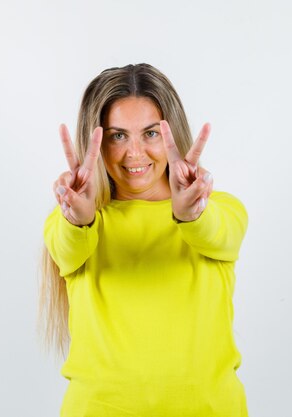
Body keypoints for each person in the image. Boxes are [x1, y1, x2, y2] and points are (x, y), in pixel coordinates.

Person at [39, 63, 249, 417]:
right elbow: (67, 245)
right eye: (117, 136)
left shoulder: (221, 210)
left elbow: (216, 232)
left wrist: (190, 214)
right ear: (97, 142)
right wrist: (79, 219)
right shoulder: (75, 225)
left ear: (172, 134)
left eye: (150, 134)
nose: (135, 154)